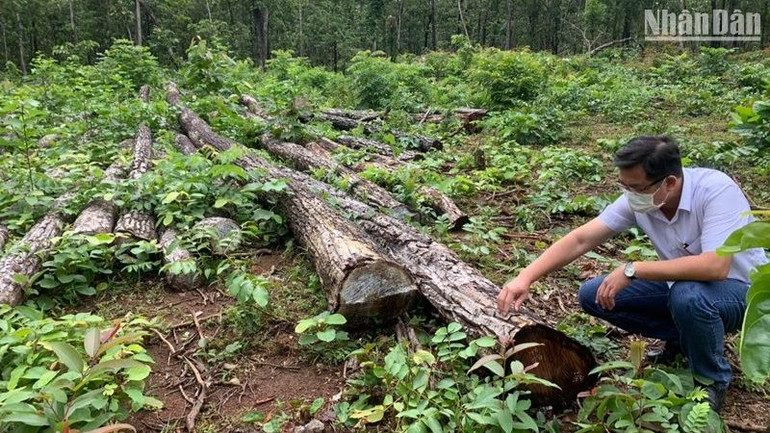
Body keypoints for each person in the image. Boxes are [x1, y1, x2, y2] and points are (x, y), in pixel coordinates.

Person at [496, 135, 768, 412]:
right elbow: (581, 239)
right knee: (593, 295)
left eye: (636, 187)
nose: (630, 195)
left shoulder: (716, 191)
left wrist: (633, 269)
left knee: (689, 296)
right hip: (685, 286)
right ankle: (684, 338)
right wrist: (526, 276)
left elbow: (714, 267)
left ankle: (710, 380)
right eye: (624, 186)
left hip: (743, 291)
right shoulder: (644, 198)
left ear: (669, 182)